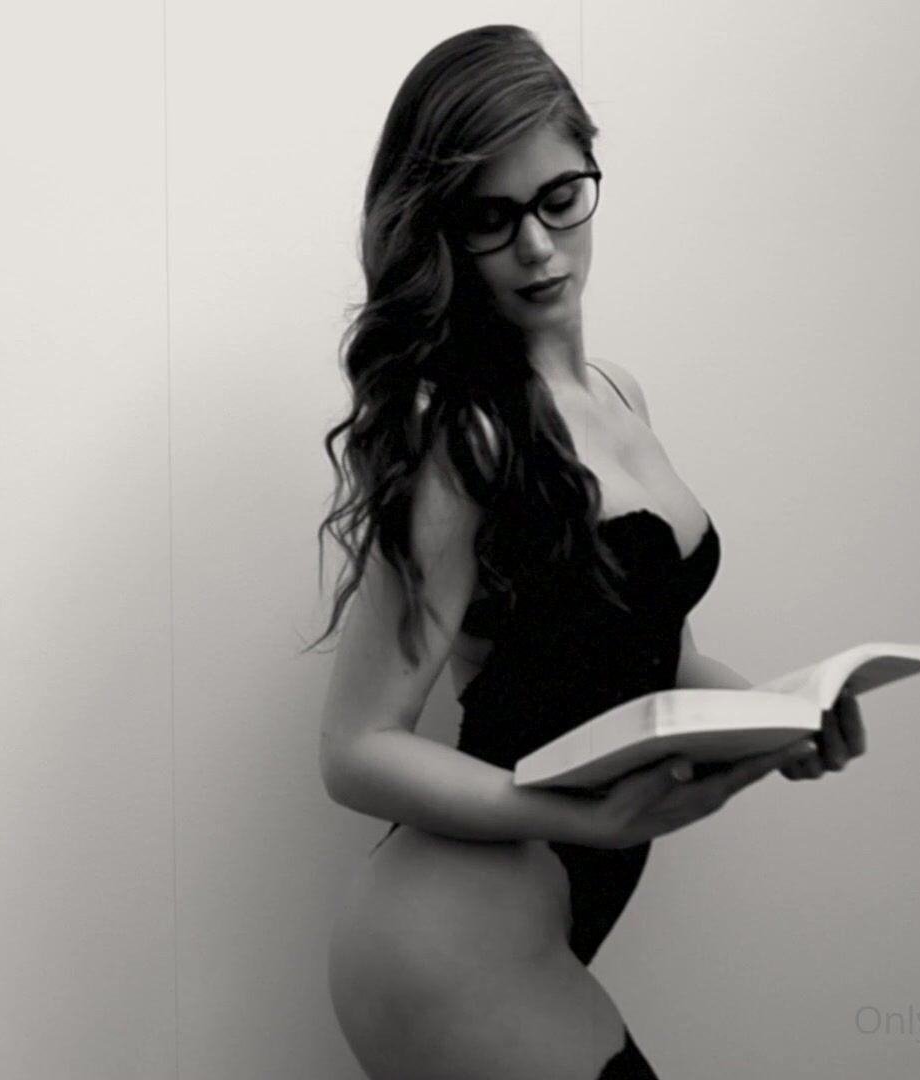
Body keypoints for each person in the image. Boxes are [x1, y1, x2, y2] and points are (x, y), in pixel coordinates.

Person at [309, 25, 865, 1080]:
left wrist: (786, 719)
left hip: (531, 929)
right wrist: (571, 815)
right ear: (443, 233)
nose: (537, 246)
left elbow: (660, 653)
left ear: (591, 176)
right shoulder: (463, 437)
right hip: (448, 944)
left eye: (560, 198)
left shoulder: (619, 396)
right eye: (492, 218)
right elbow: (355, 748)